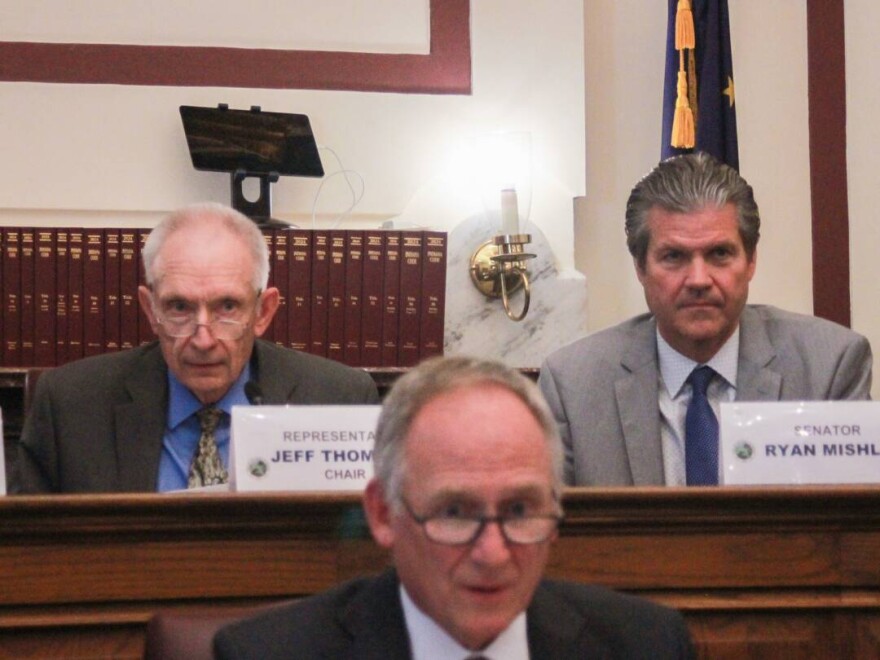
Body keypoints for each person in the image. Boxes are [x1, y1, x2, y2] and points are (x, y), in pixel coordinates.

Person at [213, 356, 695, 659]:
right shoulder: (266, 653)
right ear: (383, 514)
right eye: (455, 513)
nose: (493, 553)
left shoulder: (646, 645)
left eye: (520, 512)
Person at [539, 152, 873, 486]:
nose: (699, 279)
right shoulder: (574, 386)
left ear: (751, 261)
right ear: (640, 267)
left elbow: (851, 527)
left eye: (719, 254)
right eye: (674, 256)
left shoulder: (828, 367)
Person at [13, 203, 379, 493]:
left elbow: (364, 553)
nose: (203, 340)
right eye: (179, 308)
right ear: (150, 309)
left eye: (228, 307)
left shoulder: (339, 399)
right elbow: (28, 561)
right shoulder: (70, 407)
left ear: (263, 311)